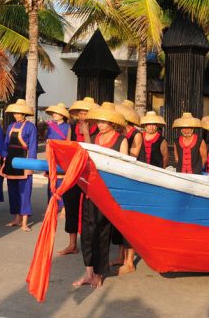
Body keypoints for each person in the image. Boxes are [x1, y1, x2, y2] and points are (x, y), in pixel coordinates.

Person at [73, 102, 129, 288]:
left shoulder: (122, 140)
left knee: (102, 233)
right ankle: (88, 272)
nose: (101, 124)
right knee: (88, 232)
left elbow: (124, 170)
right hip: (91, 190)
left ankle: (99, 273)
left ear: (112, 122)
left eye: (104, 121)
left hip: (108, 193)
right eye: (100, 121)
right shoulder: (95, 138)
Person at [57, 97, 98, 256]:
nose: (82, 116)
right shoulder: (72, 126)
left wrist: (86, 133)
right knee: (71, 204)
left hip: (88, 172)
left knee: (90, 210)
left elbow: (93, 150)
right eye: (80, 113)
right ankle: (72, 244)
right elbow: (68, 145)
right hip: (73, 170)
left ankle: (90, 244)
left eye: (85, 113)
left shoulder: (96, 129)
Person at [112, 100, 142, 270]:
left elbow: (134, 155)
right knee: (118, 221)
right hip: (118, 176)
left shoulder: (135, 134)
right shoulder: (117, 132)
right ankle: (120, 256)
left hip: (132, 177)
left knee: (129, 220)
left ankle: (129, 261)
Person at [1, 99, 38, 232]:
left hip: (24, 161)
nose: (16, 115)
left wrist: (31, 165)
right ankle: (16, 218)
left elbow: (33, 146)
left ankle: (24, 222)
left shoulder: (31, 127)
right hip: (11, 161)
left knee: (24, 192)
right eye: (15, 113)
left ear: (24, 113)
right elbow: (6, 144)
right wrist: (4, 159)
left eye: (19, 113)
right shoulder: (11, 126)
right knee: (13, 192)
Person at [44, 103, 71, 216]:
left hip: (63, 155)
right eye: (54, 113)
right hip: (52, 155)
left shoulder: (68, 127)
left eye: (57, 113)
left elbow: (69, 143)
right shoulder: (50, 126)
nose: (54, 114)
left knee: (63, 181)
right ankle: (51, 206)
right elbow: (47, 141)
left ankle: (64, 207)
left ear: (62, 115)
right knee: (51, 181)